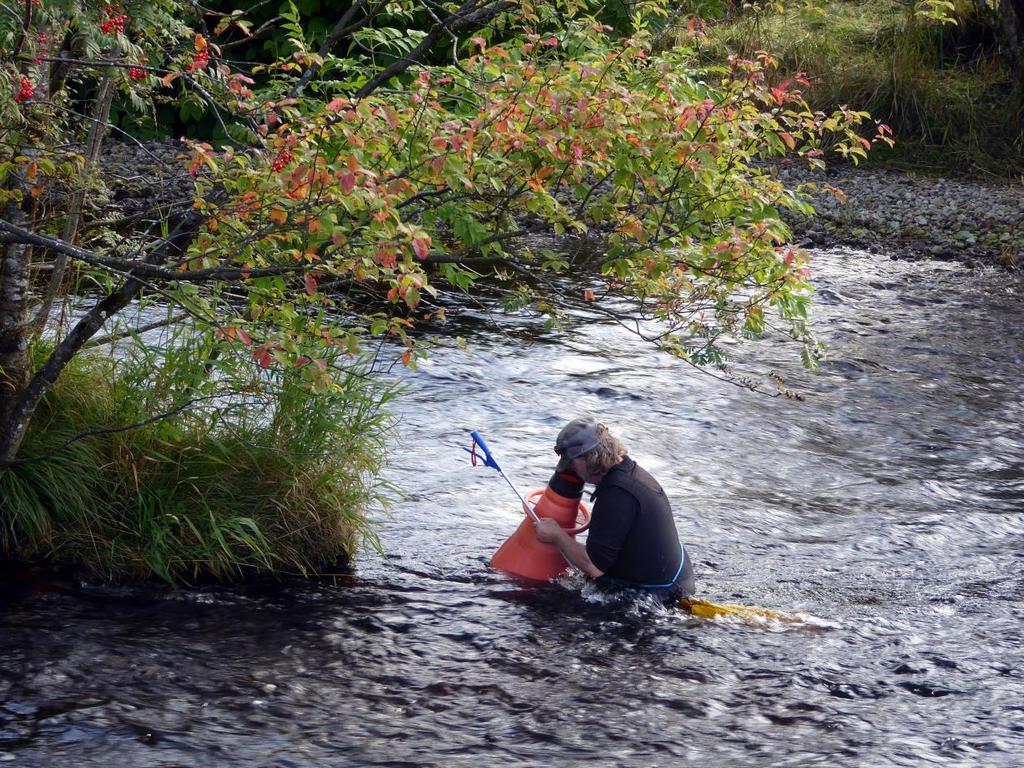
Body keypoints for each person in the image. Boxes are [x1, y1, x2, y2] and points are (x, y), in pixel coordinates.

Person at [533, 416, 695, 601]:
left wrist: (556, 534)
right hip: (677, 576)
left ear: (588, 458)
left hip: (660, 593)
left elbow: (594, 566)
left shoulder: (617, 495)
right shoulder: (632, 472)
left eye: (571, 462)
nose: (570, 468)